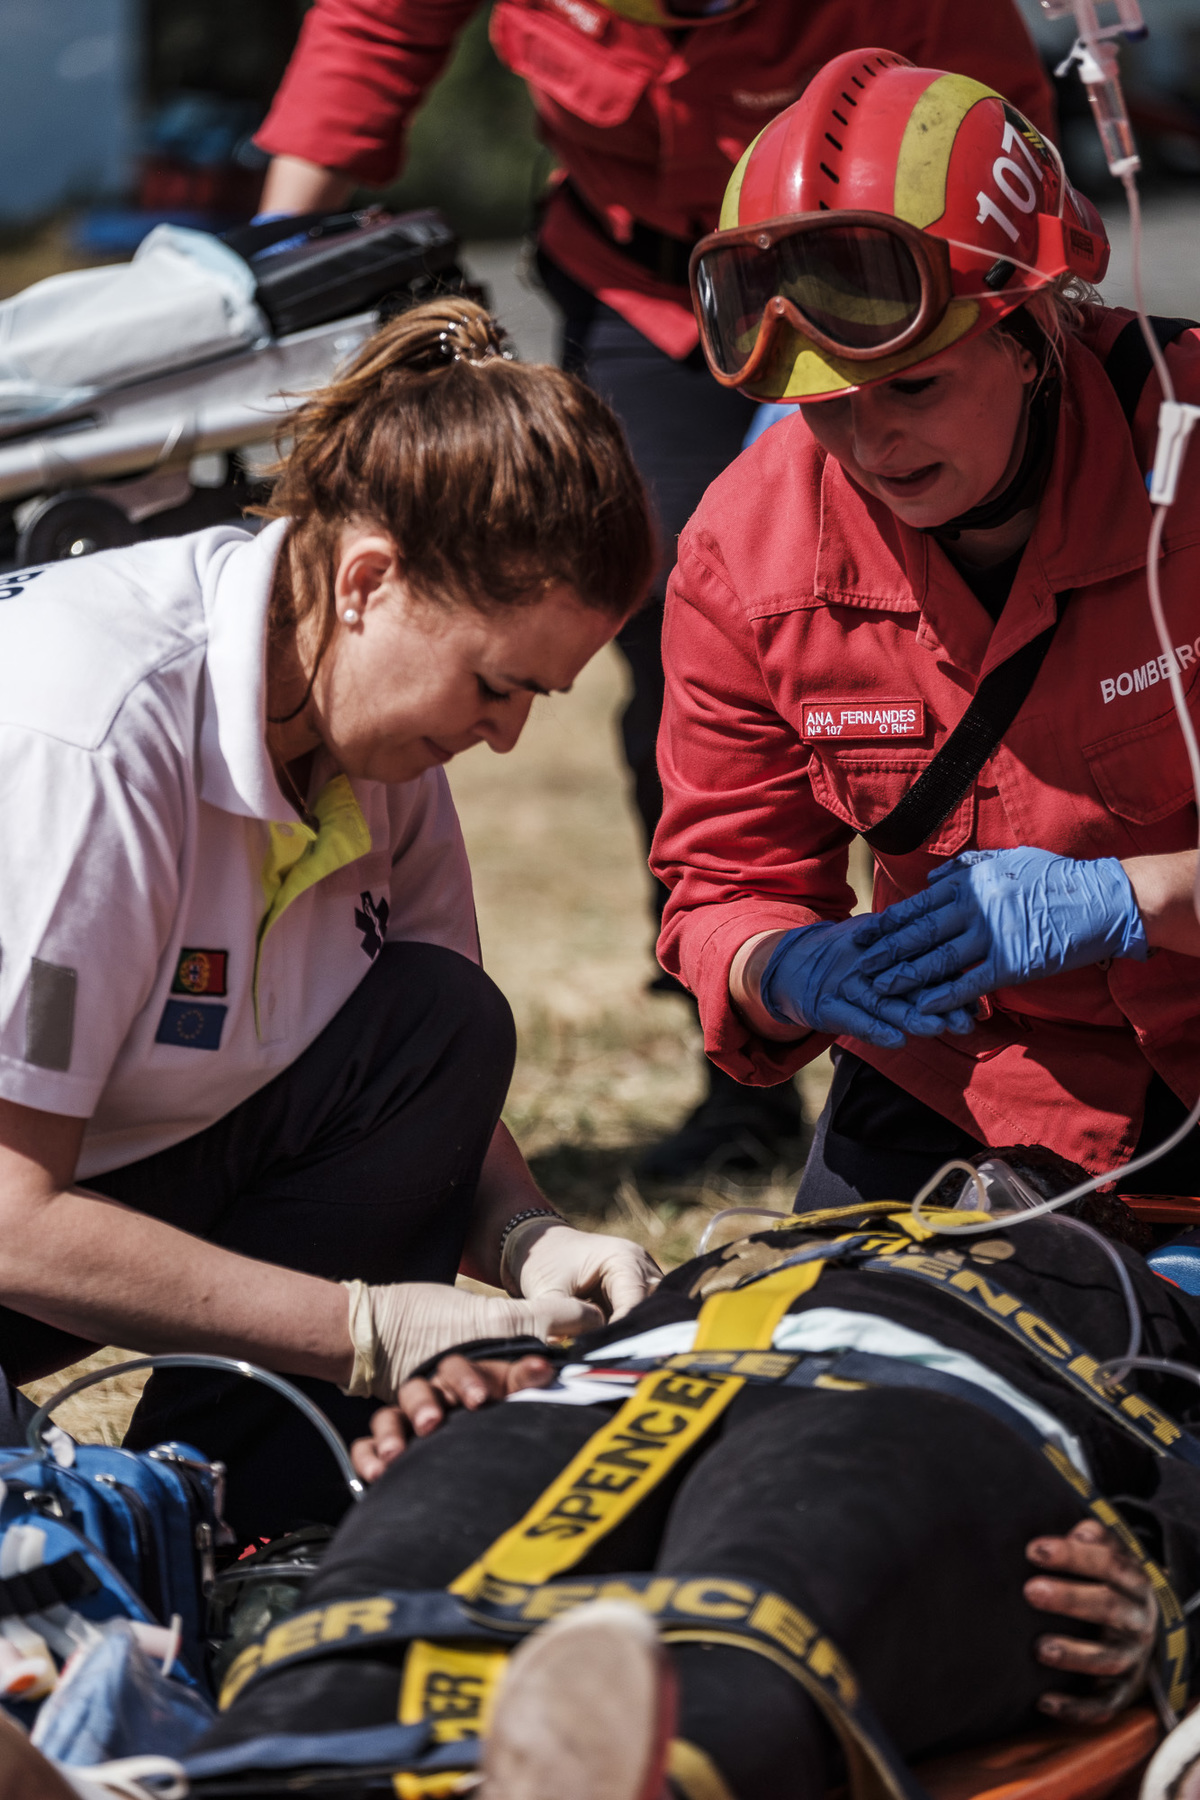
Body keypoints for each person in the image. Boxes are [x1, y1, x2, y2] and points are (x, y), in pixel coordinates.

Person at [250, 0, 1056, 1181]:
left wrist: (902, 365)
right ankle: (746, 1071)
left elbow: (997, 144)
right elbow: (372, 33)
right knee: (695, 613)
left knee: (940, 573)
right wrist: (278, 246)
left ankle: (1034, 1017)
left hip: (901, 277)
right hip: (646, 281)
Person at [0, 296, 660, 1543]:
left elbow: (423, 1081)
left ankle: (244, 1534)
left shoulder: (368, 738)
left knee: (441, 1025)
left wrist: (526, 1238)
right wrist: (361, 1332)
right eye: (497, 684)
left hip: (84, 1185)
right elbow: (6, 1217)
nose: (508, 735)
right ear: (368, 579)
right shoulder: (89, 740)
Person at [145, 1165, 1197, 1800]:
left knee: (765, 1614)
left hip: (931, 1401)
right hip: (617, 1387)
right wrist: (491, 1382)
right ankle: (242, 1766)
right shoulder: (760, 1243)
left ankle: (643, 1773)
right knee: (382, 1606)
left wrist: (1167, 1564)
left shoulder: (1153, 1303)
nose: (985, 1176)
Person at [652, 50, 1200, 1214]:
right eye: (827, 404)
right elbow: (723, 883)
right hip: (969, 1090)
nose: (870, 448)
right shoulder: (743, 557)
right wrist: (786, 968)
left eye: (912, 388)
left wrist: (1139, 898)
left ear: (1034, 327)